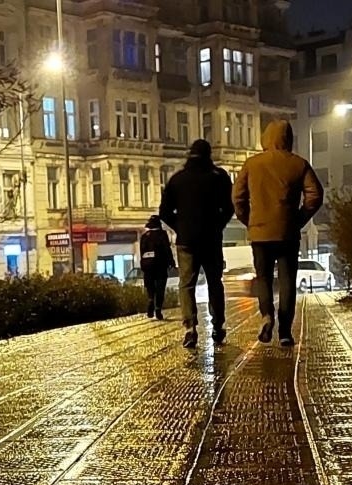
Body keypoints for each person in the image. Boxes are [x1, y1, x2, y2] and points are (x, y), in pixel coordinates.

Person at [232, 119, 324, 347]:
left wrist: (250, 221)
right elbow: (315, 196)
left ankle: (266, 316)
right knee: (287, 281)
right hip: (287, 233)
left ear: (266, 138)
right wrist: (298, 219)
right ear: (288, 138)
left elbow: (237, 197)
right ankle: (285, 332)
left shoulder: (251, 164)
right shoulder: (299, 164)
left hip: (260, 234)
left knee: (263, 278)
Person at [159, 139, 234, 349]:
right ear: (209, 155)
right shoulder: (218, 178)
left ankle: (190, 328)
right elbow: (230, 207)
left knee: (186, 283)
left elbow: (164, 212)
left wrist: (180, 227)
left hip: (187, 241)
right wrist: (218, 224)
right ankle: (218, 326)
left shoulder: (177, 180)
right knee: (214, 282)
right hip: (211, 238)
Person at [138, 215, 175, 320]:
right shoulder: (162, 235)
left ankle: (150, 299)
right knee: (160, 287)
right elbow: (167, 249)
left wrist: (143, 265)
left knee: (150, 286)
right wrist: (171, 262)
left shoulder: (144, 236)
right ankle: (158, 309)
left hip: (147, 265)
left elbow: (142, 252)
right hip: (160, 265)